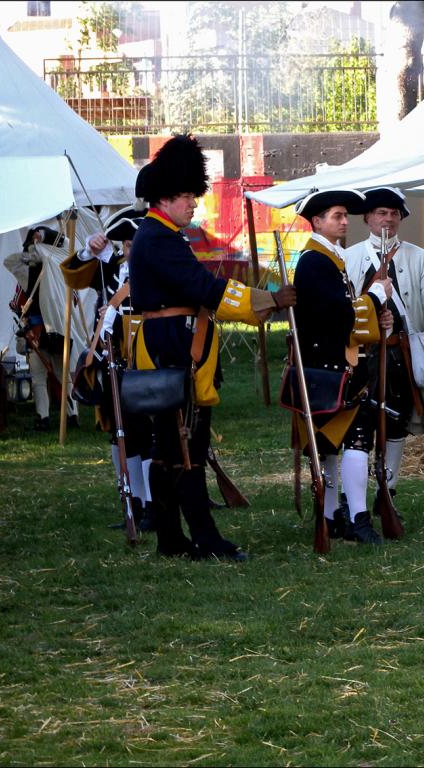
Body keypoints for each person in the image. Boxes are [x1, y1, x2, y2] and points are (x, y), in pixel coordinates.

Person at [128, 134, 296, 561]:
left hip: (173, 345)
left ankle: (170, 537)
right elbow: (202, 287)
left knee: (171, 448)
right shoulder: (158, 238)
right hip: (172, 348)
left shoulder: (160, 236)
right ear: (164, 198)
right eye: (186, 196)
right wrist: (267, 301)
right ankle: (204, 538)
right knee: (187, 447)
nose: (193, 204)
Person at [289, 188, 392, 544]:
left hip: (333, 365)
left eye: (345, 216)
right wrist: (375, 296)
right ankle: (358, 518)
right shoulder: (316, 261)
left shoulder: (328, 258)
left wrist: (378, 320)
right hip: (331, 368)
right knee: (356, 441)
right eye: (337, 216)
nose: (344, 221)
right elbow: (338, 316)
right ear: (317, 222)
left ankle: (333, 516)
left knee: (332, 445)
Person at [343, 186, 424, 513]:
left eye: (394, 214)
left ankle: (387, 490)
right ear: (367, 217)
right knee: (359, 423)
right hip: (361, 355)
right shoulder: (349, 258)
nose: (388, 219)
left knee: (397, 422)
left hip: (400, 354)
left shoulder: (418, 257)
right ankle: (357, 495)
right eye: (381, 212)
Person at [62, 206, 156, 531]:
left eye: (135, 243)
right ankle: (131, 503)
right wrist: (91, 250)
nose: (130, 250)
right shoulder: (111, 267)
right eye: (127, 245)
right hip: (112, 361)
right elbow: (73, 276)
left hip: (145, 361)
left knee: (146, 435)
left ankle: (152, 507)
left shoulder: (157, 269)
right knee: (120, 436)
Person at [4, 226, 78, 431]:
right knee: (44, 375)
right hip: (42, 330)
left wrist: (41, 243)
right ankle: (48, 417)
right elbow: (10, 262)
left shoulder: (59, 274)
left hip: (52, 329)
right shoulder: (39, 274)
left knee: (54, 375)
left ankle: (66, 416)